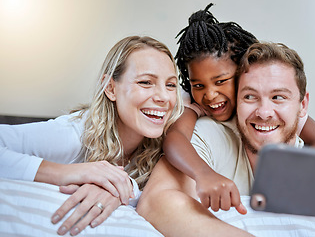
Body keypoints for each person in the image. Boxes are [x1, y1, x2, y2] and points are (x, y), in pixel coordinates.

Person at [137, 41, 315, 236]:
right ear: (237, 97)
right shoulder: (208, 132)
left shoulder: (306, 152)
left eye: (278, 97)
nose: (264, 112)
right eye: (249, 96)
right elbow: (156, 203)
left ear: (303, 105)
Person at [0, 35, 183, 236]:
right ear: (110, 88)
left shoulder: (166, 142)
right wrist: (66, 173)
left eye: (171, 85)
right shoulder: (73, 133)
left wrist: (120, 186)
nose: (164, 97)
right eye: (146, 82)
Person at [163, 3, 315, 215]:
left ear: (242, 74)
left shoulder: (274, 110)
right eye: (198, 85)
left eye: (221, 81)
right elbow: (174, 138)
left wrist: (304, 174)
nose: (209, 95)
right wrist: (203, 174)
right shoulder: (195, 105)